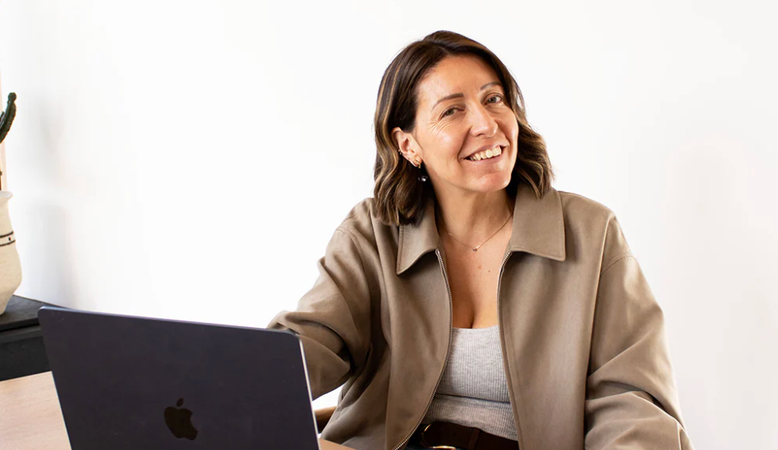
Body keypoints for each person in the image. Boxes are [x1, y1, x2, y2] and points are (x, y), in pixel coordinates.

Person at [268, 31, 693, 450]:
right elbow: (308, 348)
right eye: (452, 111)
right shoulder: (372, 233)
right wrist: (227, 387)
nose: (487, 124)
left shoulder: (590, 232)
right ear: (408, 144)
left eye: (493, 99)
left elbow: (631, 401)